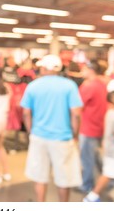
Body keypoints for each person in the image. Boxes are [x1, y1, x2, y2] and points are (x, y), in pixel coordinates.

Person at [21, 54, 83, 202]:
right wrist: (75, 134)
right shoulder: (69, 86)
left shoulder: (33, 86)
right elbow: (76, 114)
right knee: (64, 177)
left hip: (38, 136)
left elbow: (26, 112)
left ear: (43, 68)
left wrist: (31, 131)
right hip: (63, 138)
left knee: (40, 176)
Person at [77, 60, 108, 193]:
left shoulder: (88, 86)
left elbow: (77, 107)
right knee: (95, 157)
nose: (81, 72)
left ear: (91, 70)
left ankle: (87, 185)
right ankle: (109, 179)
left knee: (87, 158)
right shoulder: (102, 84)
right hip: (99, 126)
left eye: (84, 69)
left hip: (88, 128)